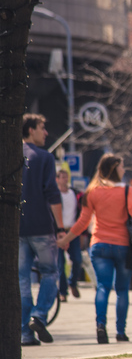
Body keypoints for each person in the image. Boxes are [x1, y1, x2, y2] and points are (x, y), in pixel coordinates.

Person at [57, 154, 132, 344]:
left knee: (102, 287)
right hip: (122, 246)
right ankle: (120, 332)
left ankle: (100, 326)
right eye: (121, 167)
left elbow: (82, 223)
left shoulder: (92, 192)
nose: (123, 170)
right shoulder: (127, 191)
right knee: (122, 290)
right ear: (113, 168)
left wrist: (65, 240)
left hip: (100, 245)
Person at [19, 113, 64, 346]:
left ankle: (25, 333)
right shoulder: (44, 157)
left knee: (22, 279)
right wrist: (61, 227)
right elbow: (52, 193)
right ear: (30, 130)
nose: (45, 132)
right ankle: (39, 315)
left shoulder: (10, 155)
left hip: (15, 230)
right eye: (41, 128)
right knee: (50, 272)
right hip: (42, 228)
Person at [56, 168, 82, 303]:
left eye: (67, 177)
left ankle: (73, 282)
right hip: (58, 232)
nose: (65, 179)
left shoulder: (75, 194)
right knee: (60, 264)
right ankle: (63, 292)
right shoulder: (54, 195)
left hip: (73, 232)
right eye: (62, 177)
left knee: (77, 260)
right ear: (57, 179)